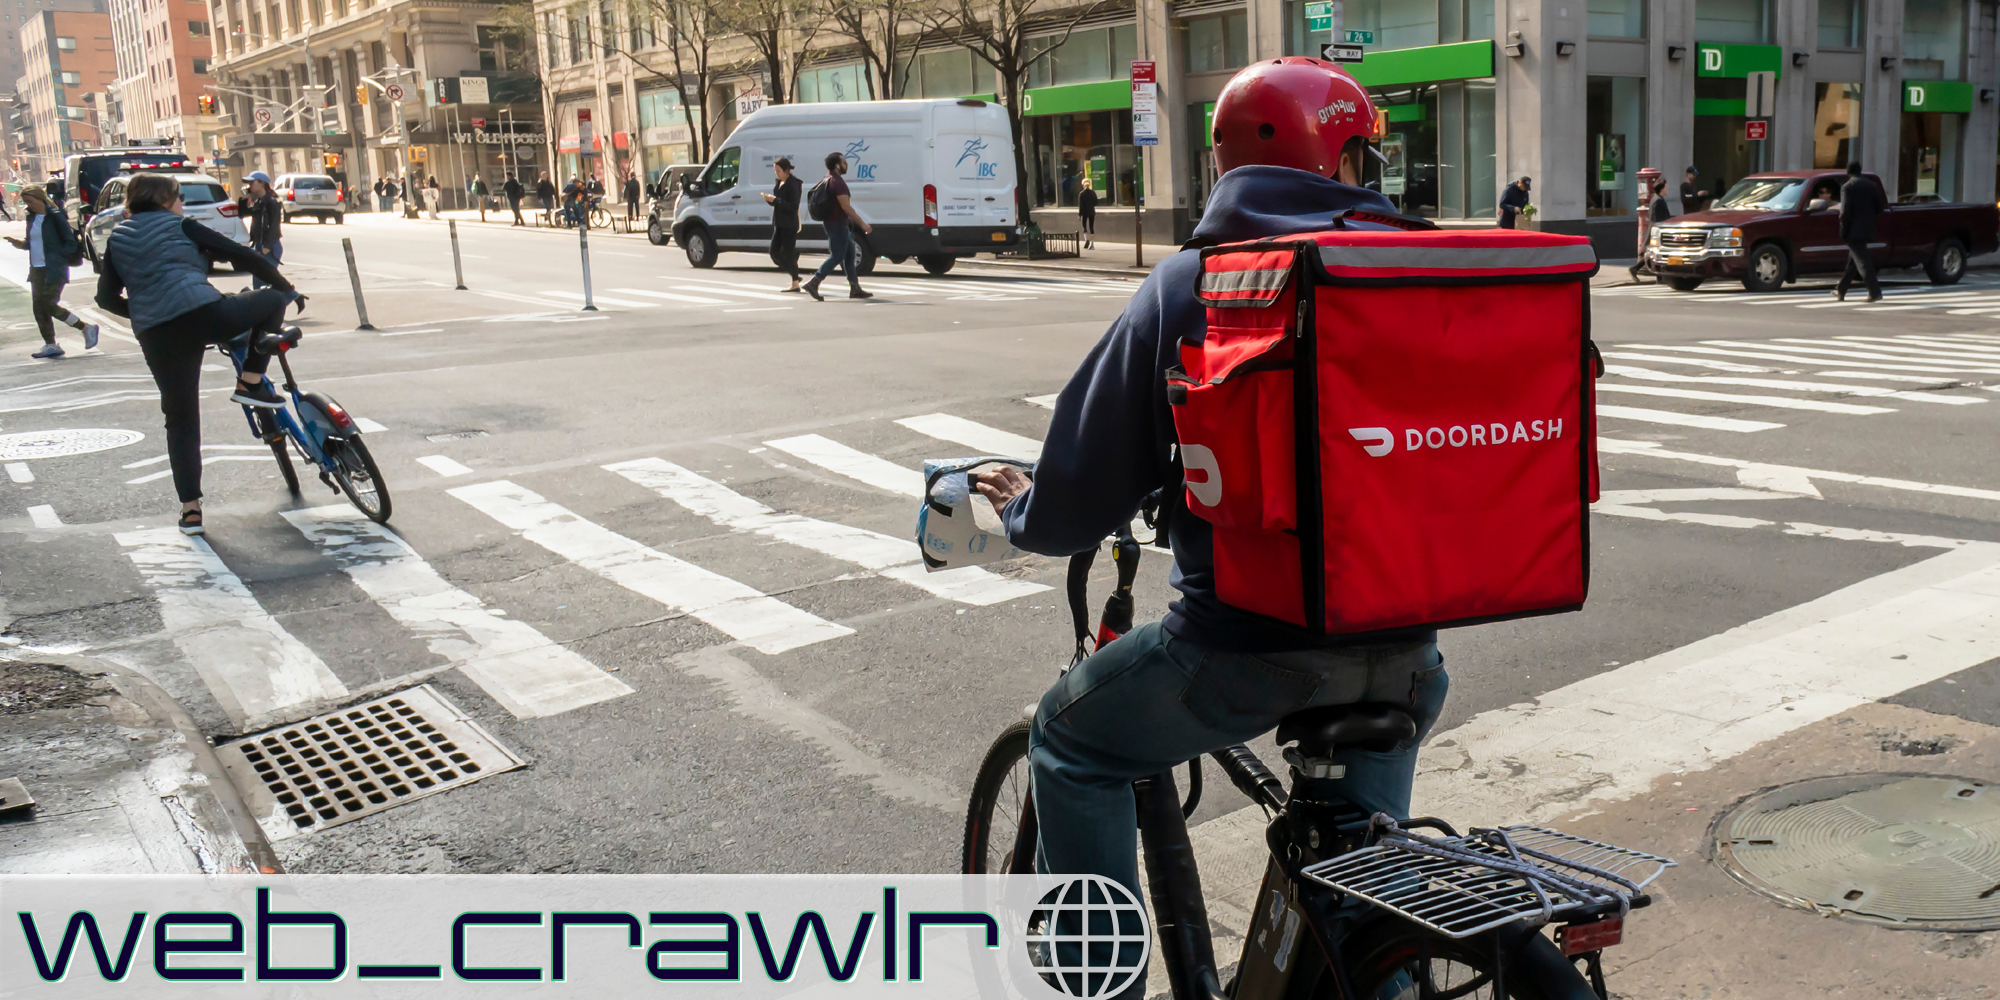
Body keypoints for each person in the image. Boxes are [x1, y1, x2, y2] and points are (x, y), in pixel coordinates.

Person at [967, 58, 1445, 916]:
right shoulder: (1422, 275)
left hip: (1245, 655)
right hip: (1409, 658)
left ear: (1228, 165)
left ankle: (1095, 975)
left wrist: (1019, 510)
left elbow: (1079, 498)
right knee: (1361, 903)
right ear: (1338, 161)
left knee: (1069, 741)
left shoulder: (1197, 285)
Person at [94, 173, 305, 536]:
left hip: (158, 335)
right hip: (204, 314)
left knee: (180, 420)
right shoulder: (181, 226)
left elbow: (106, 298)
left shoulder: (118, 239)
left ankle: (190, 511)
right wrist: (287, 288)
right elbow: (242, 255)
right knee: (270, 301)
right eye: (178, 199)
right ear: (164, 201)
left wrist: (147, 311)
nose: (181, 206)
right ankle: (250, 381)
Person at [7, 184, 98, 359]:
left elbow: (70, 242)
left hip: (53, 268)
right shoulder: (31, 218)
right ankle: (51, 344)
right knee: (38, 308)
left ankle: (86, 328)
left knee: (49, 304)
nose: (28, 205)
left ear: (40, 199)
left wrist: (58, 257)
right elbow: (31, 243)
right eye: (25, 202)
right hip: (37, 268)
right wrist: (20, 244)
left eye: (30, 201)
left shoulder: (56, 217)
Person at [803, 151, 872, 301]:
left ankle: (855, 288)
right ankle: (814, 282)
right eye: (844, 162)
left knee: (849, 255)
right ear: (837, 165)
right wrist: (863, 224)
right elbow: (846, 207)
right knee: (837, 256)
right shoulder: (838, 183)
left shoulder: (828, 179)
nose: (846, 165)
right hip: (837, 225)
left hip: (837, 224)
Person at [1835, 161, 1885, 303]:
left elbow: (1844, 212)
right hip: (1868, 227)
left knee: (1862, 261)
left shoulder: (1847, 187)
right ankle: (1841, 290)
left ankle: (1875, 292)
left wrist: (1843, 229)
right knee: (1854, 260)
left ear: (1848, 172)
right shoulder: (1871, 185)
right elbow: (1879, 207)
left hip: (1853, 230)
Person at [237, 171, 283, 289]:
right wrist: (245, 198)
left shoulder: (272, 202)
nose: (249, 186)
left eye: (252, 183)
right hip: (259, 245)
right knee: (258, 282)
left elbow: (274, 225)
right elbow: (242, 213)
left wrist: (267, 245)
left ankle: (289, 296)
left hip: (269, 246)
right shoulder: (258, 202)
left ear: (262, 183)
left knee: (265, 281)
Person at [762, 158, 802, 292]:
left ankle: (795, 282)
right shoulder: (780, 182)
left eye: (778, 171)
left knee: (788, 253)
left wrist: (776, 201)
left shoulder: (793, 184)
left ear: (786, 170)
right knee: (774, 252)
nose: (776, 173)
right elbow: (778, 202)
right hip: (779, 223)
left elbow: (793, 206)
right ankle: (794, 273)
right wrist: (770, 200)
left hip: (789, 224)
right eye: (775, 170)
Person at [1077, 178, 1098, 249]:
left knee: (1084, 226)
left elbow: (1081, 205)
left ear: (1083, 185)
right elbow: (1096, 203)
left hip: (1084, 212)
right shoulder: (1093, 193)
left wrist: (1079, 215)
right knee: (1091, 227)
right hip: (1091, 212)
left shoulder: (1081, 193)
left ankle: (1086, 239)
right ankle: (1092, 244)